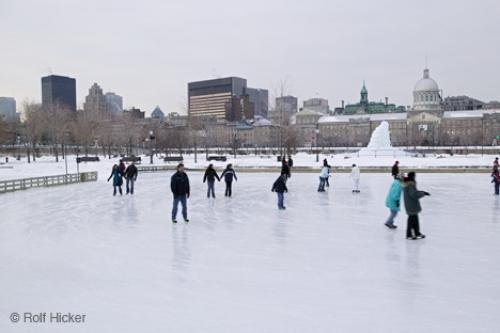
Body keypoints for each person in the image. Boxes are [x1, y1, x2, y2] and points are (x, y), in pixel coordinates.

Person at [402, 172, 430, 240]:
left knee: (415, 220)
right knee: (411, 220)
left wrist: (423, 192)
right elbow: (413, 194)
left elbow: (414, 192)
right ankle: (409, 235)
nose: (415, 177)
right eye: (415, 176)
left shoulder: (408, 183)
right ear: (412, 176)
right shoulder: (410, 184)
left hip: (410, 204)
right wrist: (422, 194)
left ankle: (417, 233)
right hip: (411, 205)